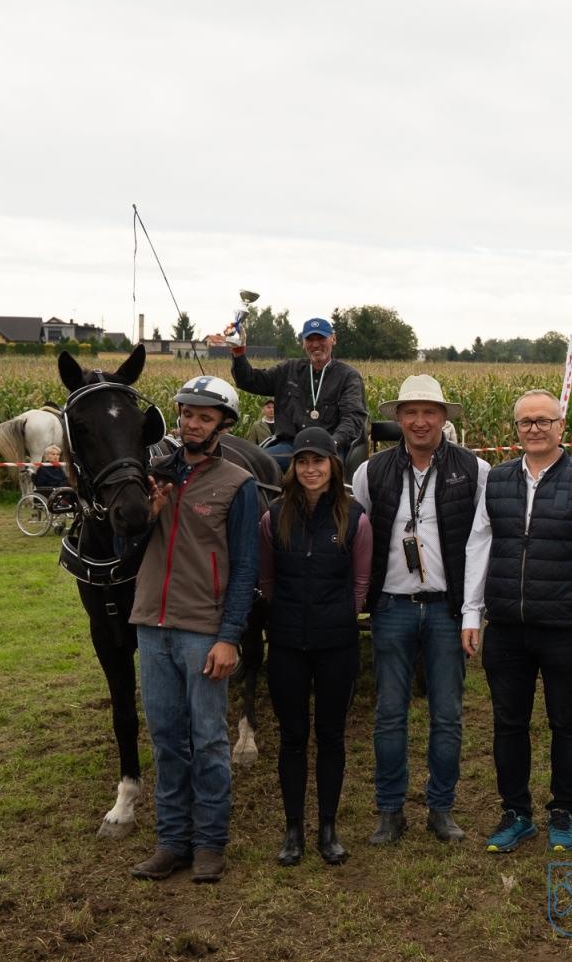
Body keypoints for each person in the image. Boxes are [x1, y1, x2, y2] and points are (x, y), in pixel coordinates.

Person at [462, 390, 572, 854]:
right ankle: (516, 812)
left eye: (543, 421)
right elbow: (479, 545)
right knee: (508, 722)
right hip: (507, 625)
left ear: (561, 427)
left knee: (566, 721)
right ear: (517, 429)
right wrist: (473, 613)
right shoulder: (497, 480)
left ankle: (562, 810)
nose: (534, 429)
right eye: (526, 422)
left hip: (565, 626)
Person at [128, 375, 260, 884]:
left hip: (204, 631)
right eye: (186, 414)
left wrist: (230, 636)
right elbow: (127, 555)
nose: (191, 424)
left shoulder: (238, 485)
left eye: (204, 417)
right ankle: (171, 842)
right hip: (151, 625)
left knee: (207, 741)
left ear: (223, 424)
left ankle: (209, 844)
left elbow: (246, 566)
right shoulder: (155, 477)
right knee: (165, 739)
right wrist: (145, 519)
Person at [352, 374, 489, 847]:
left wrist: (474, 610)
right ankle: (390, 811)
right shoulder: (370, 472)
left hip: (448, 612)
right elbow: (360, 533)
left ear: (443, 417)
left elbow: (483, 543)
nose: (419, 420)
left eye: (429, 411)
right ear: (397, 419)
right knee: (390, 713)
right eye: (410, 412)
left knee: (447, 714)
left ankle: (441, 808)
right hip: (391, 608)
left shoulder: (475, 470)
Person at [258, 427, 372, 867]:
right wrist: (283, 613)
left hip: (336, 643)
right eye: (302, 462)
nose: (310, 469)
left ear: (332, 466)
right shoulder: (274, 516)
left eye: (318, 462)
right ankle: (293, 831)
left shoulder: (354, 516)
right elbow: (266, 579)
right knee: (292, 737)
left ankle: (328, 828)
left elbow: (361, 579)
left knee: (330, 735)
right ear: (294, 467)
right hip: (287, 641)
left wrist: (345, 613)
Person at [207, 318, 367, 471]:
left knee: (324, 471)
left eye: (321, 338)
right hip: (289, 446)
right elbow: (249, 381)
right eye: (310, 339)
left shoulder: (348, 376)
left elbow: (353, 418)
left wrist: (333, 442)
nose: (316, 344)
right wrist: (238, 351)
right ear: (303, 343)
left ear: (333, 339)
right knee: (248, 464)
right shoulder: (288, 369)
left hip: (330, 447)